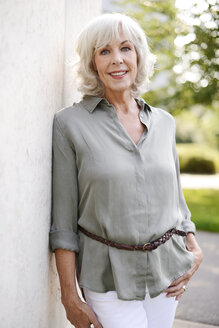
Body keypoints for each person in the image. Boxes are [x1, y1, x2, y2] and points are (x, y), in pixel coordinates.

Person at [49, 13, 203, 328]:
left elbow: (177, 200)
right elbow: (63, 222)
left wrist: (193, 249)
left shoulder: (164, 122)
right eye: (104, 51)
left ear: (138, 56)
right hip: (107, 280)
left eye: (125, 48)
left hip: (167, 273)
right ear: (92, 63)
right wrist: (69, 296)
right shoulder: (69, 124)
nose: (117, 60)